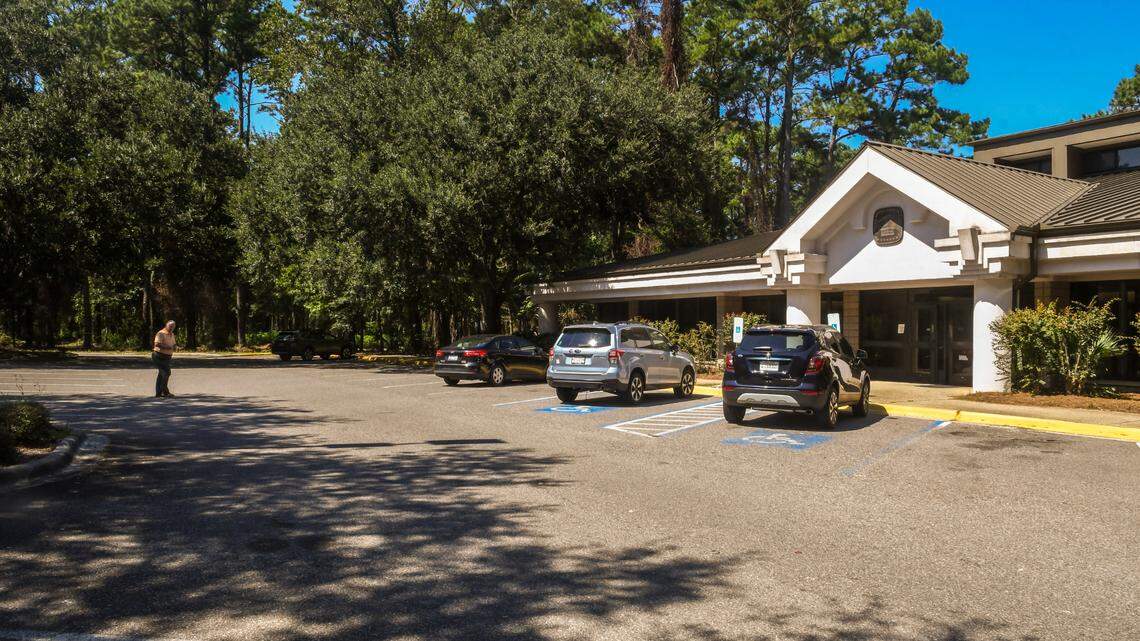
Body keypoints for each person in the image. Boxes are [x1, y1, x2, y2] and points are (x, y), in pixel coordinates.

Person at [152, 320, 177, 398]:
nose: (172, 328)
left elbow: (173, 344)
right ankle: (165, 392)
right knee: (166, 372)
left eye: (173, 326)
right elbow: (157, 344)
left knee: (162, 374)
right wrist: (166, 347)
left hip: (167, 357)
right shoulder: (161, 333)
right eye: (170, 326)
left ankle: (159, 393)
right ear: (166, 325)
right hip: (159, 356)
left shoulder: (172, 334)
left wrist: (175, 347)